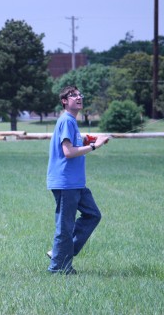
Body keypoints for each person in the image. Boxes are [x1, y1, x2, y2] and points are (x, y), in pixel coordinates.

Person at [46, 85, 110, 275]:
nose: (79, 97)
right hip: (66, 183)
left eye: (80, 94)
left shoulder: (72, 122)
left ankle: (60, 254)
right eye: (73, 95)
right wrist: (94, 147)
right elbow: (68, 152)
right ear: (64, 101)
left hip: (76, 183)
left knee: (93, 215)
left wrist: (88, 140)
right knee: (64, 226)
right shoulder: (66, 120)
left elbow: (74, 144)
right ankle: (58, 267)